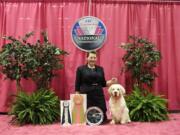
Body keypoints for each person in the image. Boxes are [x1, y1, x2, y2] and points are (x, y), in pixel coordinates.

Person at [75, 51, 117, 123]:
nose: (93, 59)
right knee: (86, 119)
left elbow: (103, 83)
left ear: (96, 58)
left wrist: (111, 82)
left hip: (98, 93)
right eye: (91, 57)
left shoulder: (100, 69)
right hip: (86, 94)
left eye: (94, 57)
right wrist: (77, 93)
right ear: (87, 58)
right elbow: (77, 82)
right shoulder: (80, 69)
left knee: (102, 119)